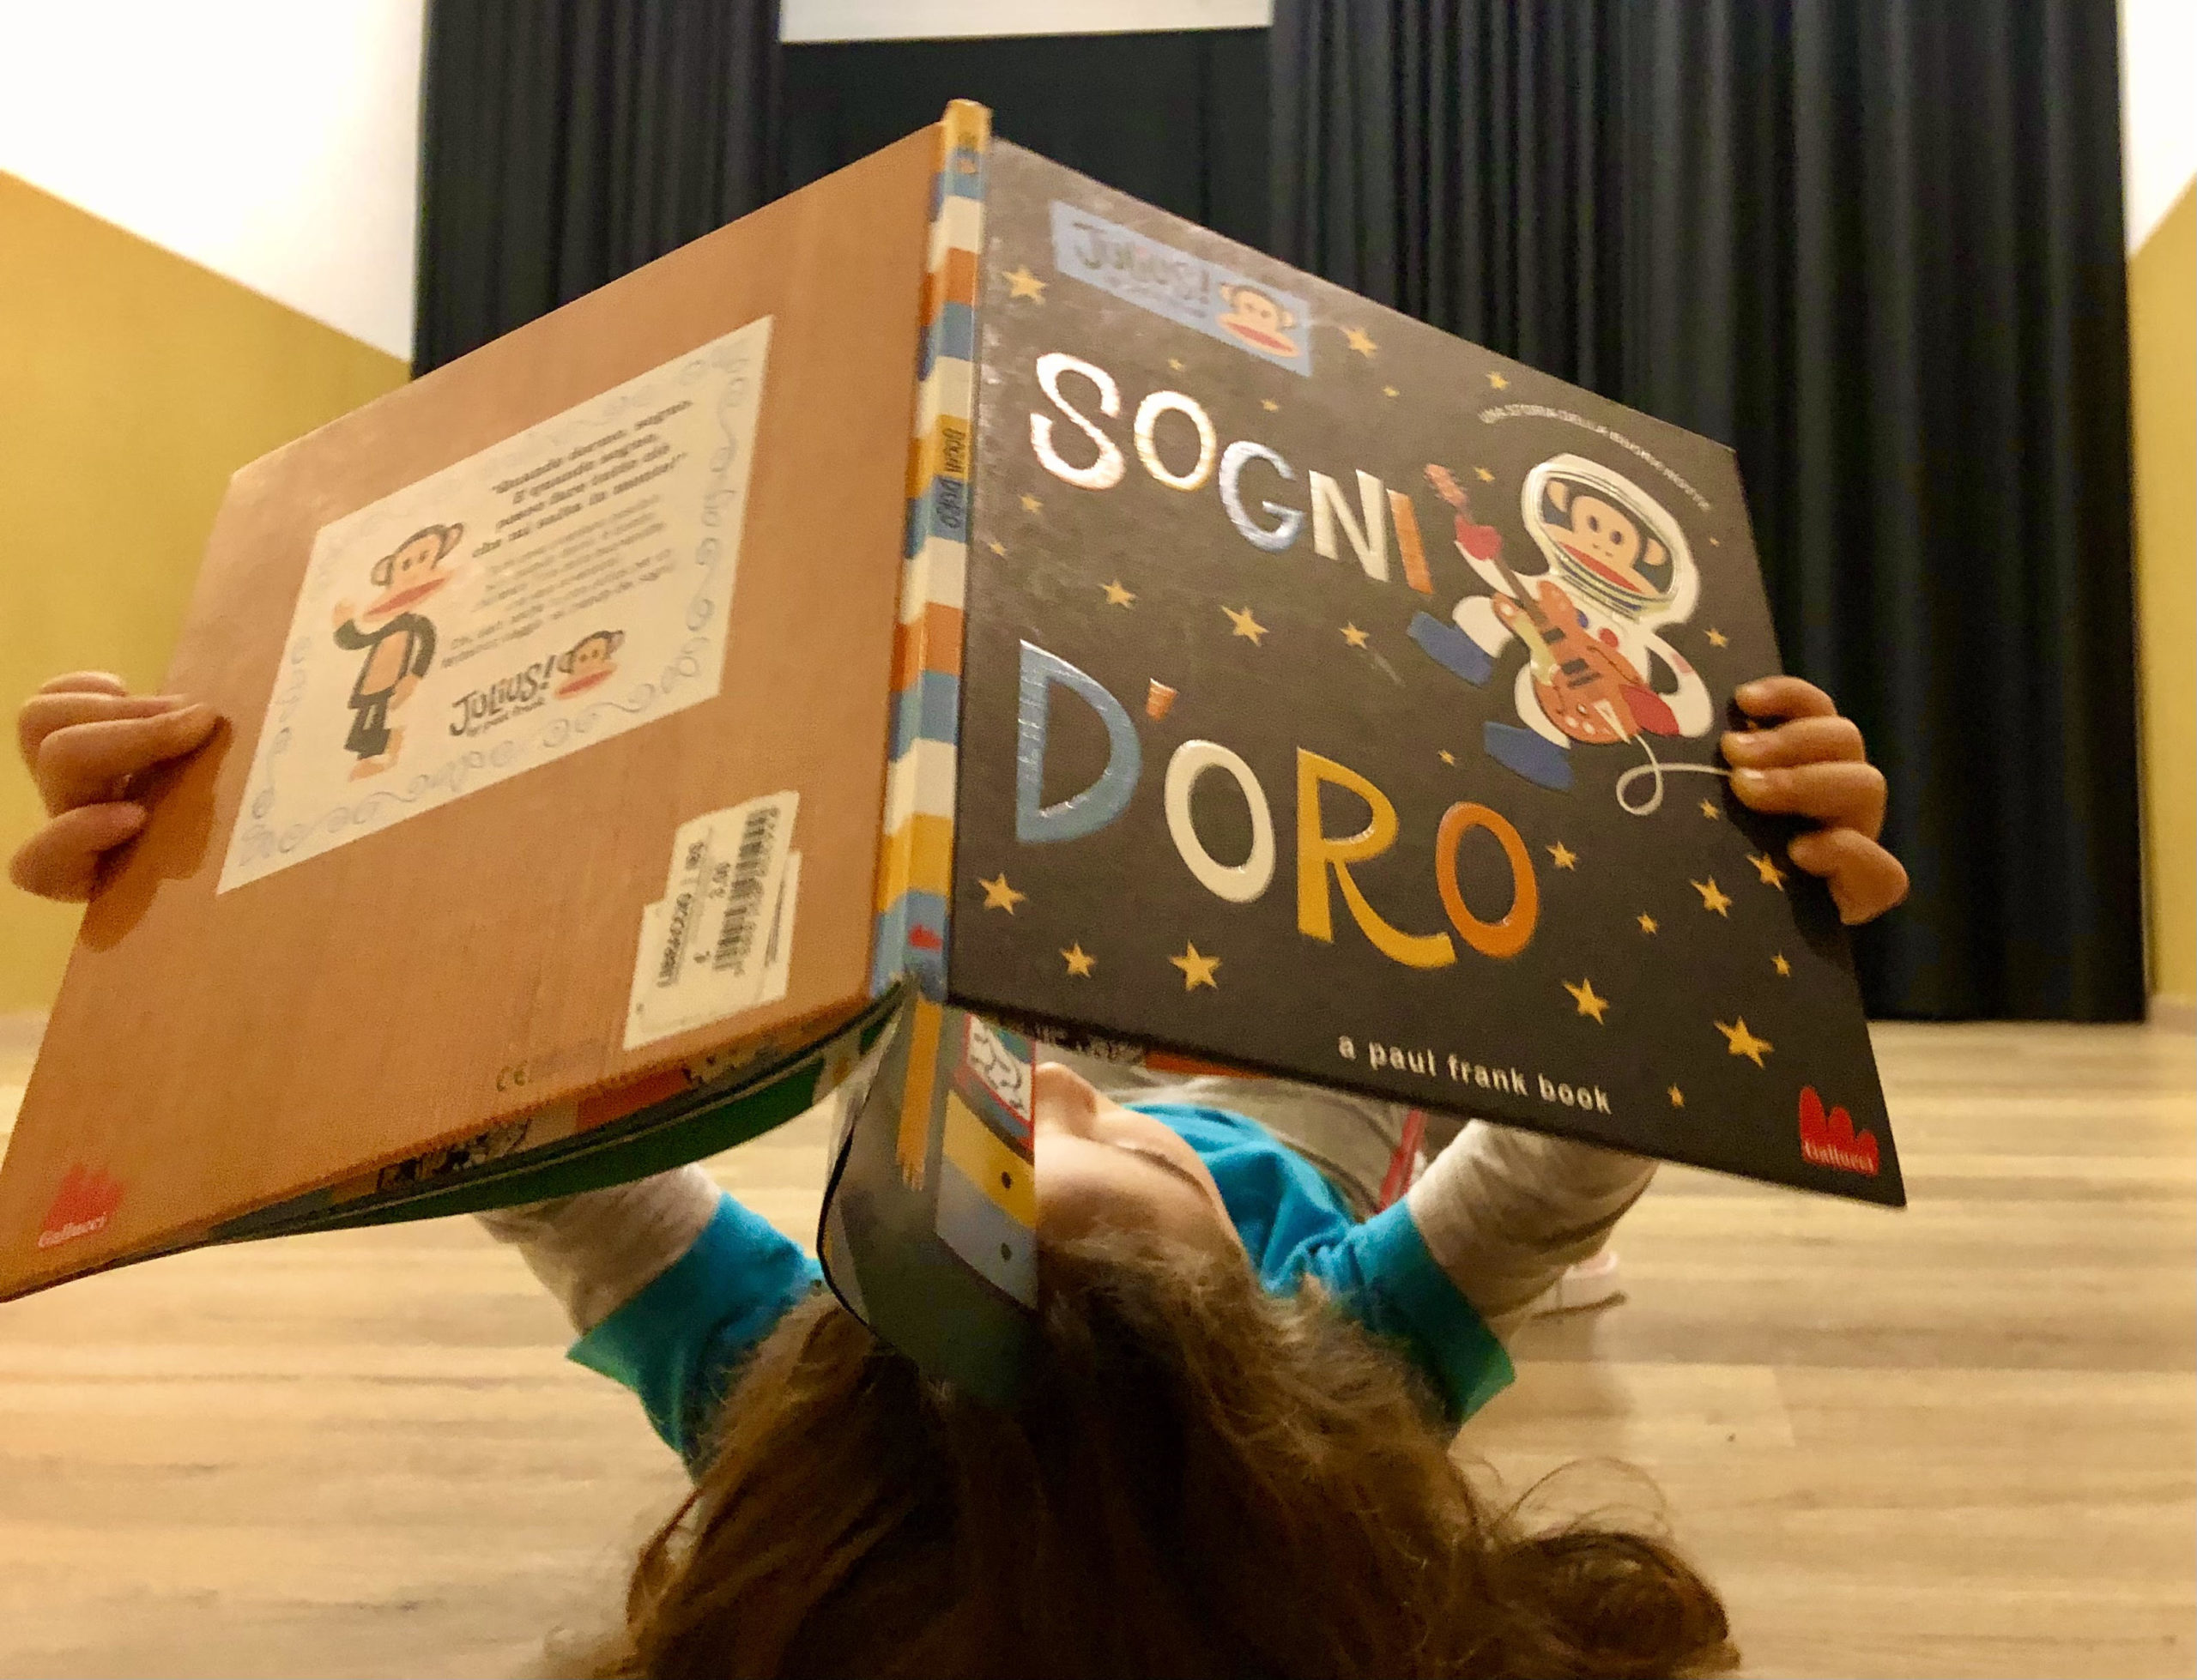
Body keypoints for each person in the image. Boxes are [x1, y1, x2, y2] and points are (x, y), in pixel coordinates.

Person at [13, 668, 1906, 1678]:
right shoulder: (1350, 1382)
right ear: (1273, 1344)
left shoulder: (786, 1386)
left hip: (958, 991)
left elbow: (514, 1154)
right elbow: (1552, 1172)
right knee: (1328, 1066)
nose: (1055, 1098)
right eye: (1108, 1157)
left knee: (934, 961)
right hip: (1284, 1108)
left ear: (844, 1325)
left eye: (977, 1183)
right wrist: (1735, 894)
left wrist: (224, 871)